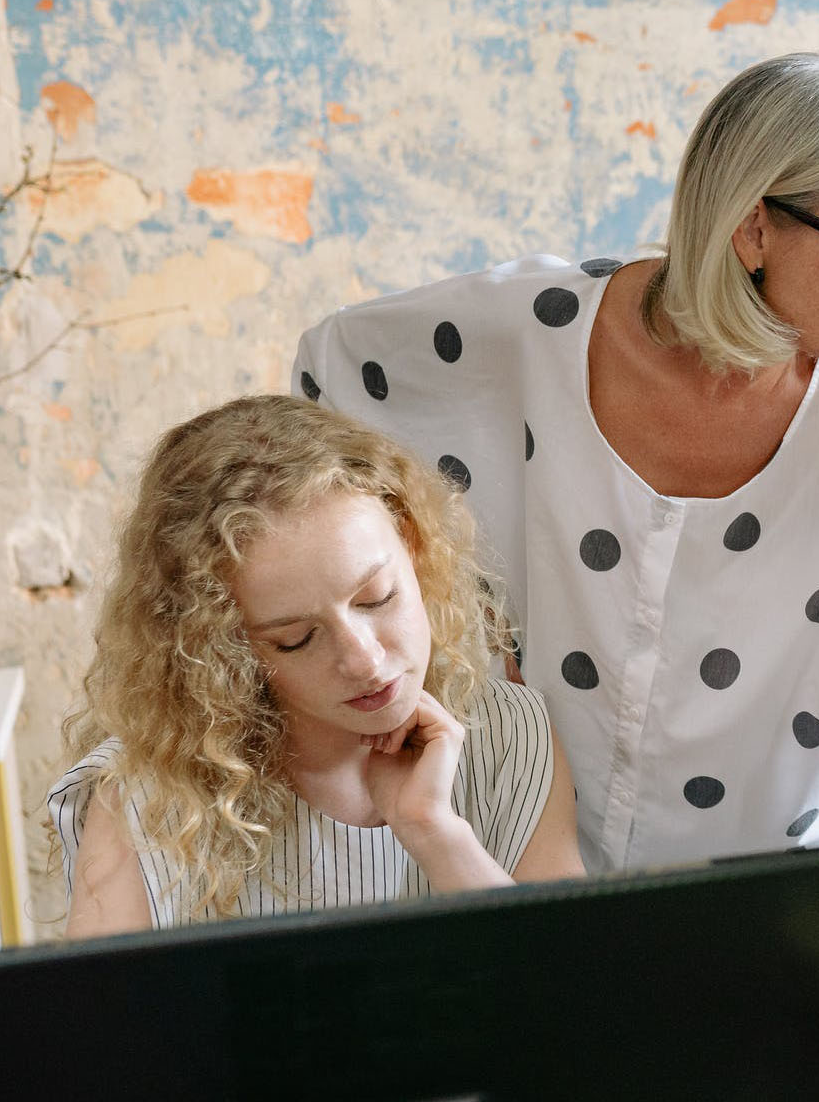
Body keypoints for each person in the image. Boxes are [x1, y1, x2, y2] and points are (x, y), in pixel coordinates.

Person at [292, 52, 819, 1050]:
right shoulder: (525, 333)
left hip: (761, 935)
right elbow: (332, 379)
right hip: (511, 890)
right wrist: (435, 628)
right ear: (754, 227)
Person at [49, 395, 584, 936]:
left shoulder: (512, 737)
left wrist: (435, 833)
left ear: (416, 549)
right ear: (224, 651)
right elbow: (100, 1020)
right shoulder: (151, 798)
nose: (365, 660)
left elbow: (573, 1004)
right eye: (297, 639)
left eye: (378, 598)